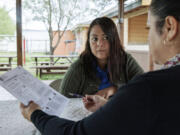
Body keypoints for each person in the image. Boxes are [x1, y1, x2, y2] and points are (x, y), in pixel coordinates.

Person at [20, 0, 180, 134]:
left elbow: (74, 132)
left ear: (170, 27)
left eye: (148, 27)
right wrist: (108, 106)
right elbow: (63, 103)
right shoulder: (79, 66)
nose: (99, 44)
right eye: (94, 39)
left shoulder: (148, 86)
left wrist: (34, 114)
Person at [59, 17, 143, 99]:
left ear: (114, 40)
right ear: (88, 42)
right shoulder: (78, 68)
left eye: (106, 38)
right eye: (95, 39)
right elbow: (61, 103)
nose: (99, 43)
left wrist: (115, 89)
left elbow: (144, 86)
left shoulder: (126, 60)